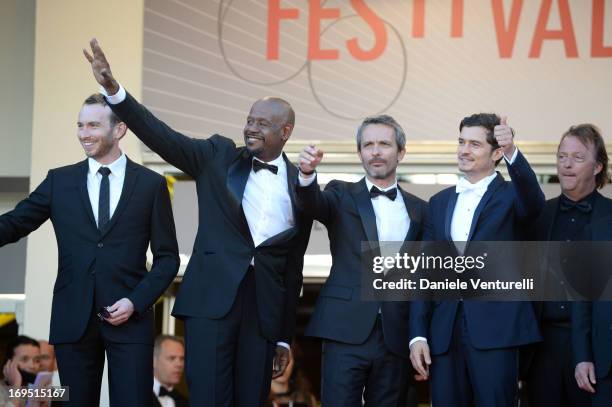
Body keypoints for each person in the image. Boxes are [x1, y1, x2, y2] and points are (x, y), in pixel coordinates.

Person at [84, 38, 312, 406]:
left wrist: (284, 336)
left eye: (263, 124)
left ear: (285, 132)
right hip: (211, 302)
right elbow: (163, 137)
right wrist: (114, 92)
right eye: (249, 120)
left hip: (263, 312)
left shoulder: (300, 184)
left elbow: (293, 267)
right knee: (208, 398)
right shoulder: (218, 156)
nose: (251, 128)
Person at [0, 94, 180, 406]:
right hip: (74, 320)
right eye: (80, 125)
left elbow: (168, 259)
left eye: (94, 125)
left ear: (120, 129)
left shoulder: (151, 185)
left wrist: (136, 301)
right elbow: (16, 222)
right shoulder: (60, 181)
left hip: (131, 321)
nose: (85, 133)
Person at [409, 114, 545, 406]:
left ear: (496, 153)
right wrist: (418, 335)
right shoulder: (439, 202)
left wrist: (513, 154)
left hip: (496, 331)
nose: (463, 150)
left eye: (474, 144)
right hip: (444, 333)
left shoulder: (513, 196)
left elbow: (534, 203)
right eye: (461, 142)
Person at [297, 115, 427, 406]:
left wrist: (420, 337)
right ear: (360, 153)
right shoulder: (340, 194)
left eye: (384, 143)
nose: (376, 151)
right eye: (368, 144)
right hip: (345, 329)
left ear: (401, 153)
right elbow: (311, 203)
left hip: (396, 334)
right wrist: (305, 175)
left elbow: (423, 280)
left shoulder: (421, 210)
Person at [522, 124, 611, 406]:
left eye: (577, 157)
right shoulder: (539, 215)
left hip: (599, 348)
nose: (567, 165)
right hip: (541, 348)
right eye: (562, 157)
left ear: (597, 167)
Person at [153, 335, 188, 407]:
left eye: (182, 359)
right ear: (153, 361)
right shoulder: (137, 396)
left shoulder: (186, 402)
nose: (179, 364)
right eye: (172, 358)